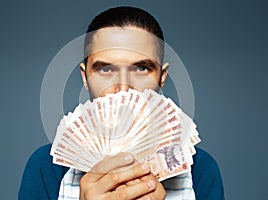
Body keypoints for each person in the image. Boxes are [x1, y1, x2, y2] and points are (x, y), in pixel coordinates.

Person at [19, 6, 224, 200]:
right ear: (85, 77)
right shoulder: (46, 168)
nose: (123, 88)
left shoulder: (201, 170)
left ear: (162, 77)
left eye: (141, 68)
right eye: (105, 69)